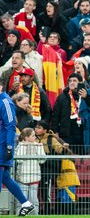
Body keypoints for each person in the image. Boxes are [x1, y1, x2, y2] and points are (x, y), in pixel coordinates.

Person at [0, 76, 35, 216]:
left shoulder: (5, 102)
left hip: (2, 147)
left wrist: (9, 147)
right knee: (5, 178)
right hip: (2, 145)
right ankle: (26, 204)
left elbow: (10, 126)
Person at [51, 73, 90, 154]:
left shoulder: (88, 94)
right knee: (68, 156)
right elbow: (56, 116)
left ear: (80, 83)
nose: (71, 82)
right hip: (67, 133)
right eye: (70, 81)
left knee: (83, 159)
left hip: (84, 132)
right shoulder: (62, 97)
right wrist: (55, 130)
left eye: (74, 81)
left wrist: (86, 97)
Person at [34, 119, 69, 215]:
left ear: (45, 130)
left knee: (46, 193)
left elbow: (59, 149)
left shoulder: (51, 139)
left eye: (39, 128)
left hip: (47, 169)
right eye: (36, 127)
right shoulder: (33, 138)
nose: (36, 129)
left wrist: (64, 148)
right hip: (35, 168)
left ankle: (47, 212)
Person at [15, 127, 46, 215]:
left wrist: (40, 148)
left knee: (34, 200)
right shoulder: (20, 146)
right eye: (33, 136)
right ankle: (20, 215)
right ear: (26, 137)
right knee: (22, 200)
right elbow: (19, 160)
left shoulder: (38, 145)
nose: (35, 138)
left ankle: (35, 216)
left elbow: (42, 160)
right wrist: (23, 147)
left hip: (34, 177)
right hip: (22, 178)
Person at [54, 138, 80, 215]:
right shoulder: (68, 155)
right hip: (65, 182)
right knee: (59, 203)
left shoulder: (63, 157)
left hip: (67, 182)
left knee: (68, 204)